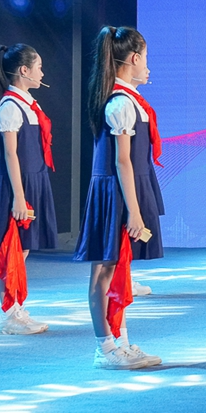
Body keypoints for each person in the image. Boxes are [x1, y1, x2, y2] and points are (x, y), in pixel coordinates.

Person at [74, 26, 163, 369]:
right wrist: (134, 211)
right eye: (146, 58)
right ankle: (105, 347)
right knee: (103, 269)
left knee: (118, 267)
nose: (148, 66)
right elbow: (122, 160)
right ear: (134, 58)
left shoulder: (131, 100)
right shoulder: (120, 103)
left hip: (126, 187)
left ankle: (121, 340)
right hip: (115, 191)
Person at [0, 44, 57, 334]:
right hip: (16, 186)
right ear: (24, 70)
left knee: (22, 249)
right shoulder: (10, 106)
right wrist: (19, 198)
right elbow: (11, 154)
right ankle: (8, 314)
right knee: (10, 249)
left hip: (33, 180)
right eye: (39, 67)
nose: (42, 73)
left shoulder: (29, 104)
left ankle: (16, 308)